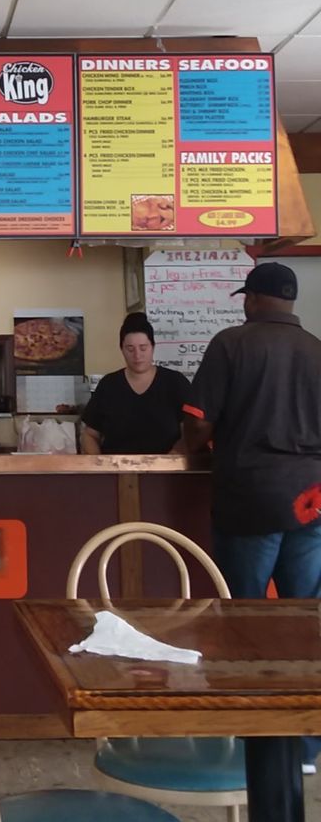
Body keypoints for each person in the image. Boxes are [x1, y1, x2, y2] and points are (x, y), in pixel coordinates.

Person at [182, 261, 321, 773]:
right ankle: (304, 748)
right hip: (312, 500)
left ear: (254, 298)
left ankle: (253, 738)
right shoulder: (317, 351)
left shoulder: (231, 344)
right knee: (305, 620)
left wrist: (189, 446)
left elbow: (198, 425)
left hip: (249, 497)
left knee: (244, 620)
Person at [80, 312, 190, 455]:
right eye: (130, 349)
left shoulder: (175, 383)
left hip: (168, 473)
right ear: (122, 349)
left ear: (153, 347)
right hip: (117, 472)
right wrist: (99, 465)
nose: (137, 355)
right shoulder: (108, 385)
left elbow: (190, 434)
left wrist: (171, 460)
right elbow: (90, 435)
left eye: (143, 348)